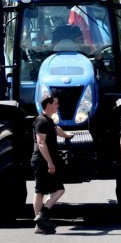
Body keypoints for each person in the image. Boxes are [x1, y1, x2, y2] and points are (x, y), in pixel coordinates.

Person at [31, 96, 74, 234]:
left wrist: (67, 136)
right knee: (42, 192)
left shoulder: (48, 121)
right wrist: (50, 162)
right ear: (48, 105)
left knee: (53, 190)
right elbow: (41, 142)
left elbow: (56, 129)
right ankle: (40, 219)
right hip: (42, 161)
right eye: (55, 103)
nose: (58, 106)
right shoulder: (41, 121)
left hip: (47, 161)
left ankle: (40, 218)